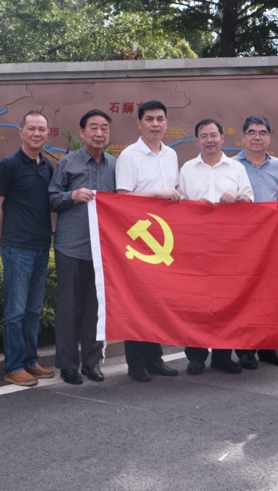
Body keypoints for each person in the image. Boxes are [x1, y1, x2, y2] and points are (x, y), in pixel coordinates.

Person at [178, 119, 254, 375]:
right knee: (195, 302)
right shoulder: (187, 169)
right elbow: (178, 207)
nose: (209, 140)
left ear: (222, 138)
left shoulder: (236, 168)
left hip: (228, 247)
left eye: (213, 135)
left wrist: (237, 196)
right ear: (196, 141)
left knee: (226, 301)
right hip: (196, 245)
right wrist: (193, 206)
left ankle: (223, 356)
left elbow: (250, 201)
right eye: (204, 136)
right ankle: (196, 356)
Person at [114, 100, 182, 383]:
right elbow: (122, 199)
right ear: (139, 123)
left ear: (166, 123)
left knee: (157, 300)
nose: (155, 124)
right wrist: (156, 195)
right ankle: (136, 362)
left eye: (160, 119)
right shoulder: (129, 156)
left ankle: (155, 358)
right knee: (137, 301)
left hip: (164, 238)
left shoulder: (171, 154)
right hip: (138, 238)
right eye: (150, 119)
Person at [48, 109, 116, 385]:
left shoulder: (116, 166)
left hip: (103, 250)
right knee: (68, 308)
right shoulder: (68, 163)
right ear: (82, 132)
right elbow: (52, 200)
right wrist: (72, 195)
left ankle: (91, 362)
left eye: (104, 128)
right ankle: (68, 365)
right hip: (71, 246)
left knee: (95, 308)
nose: (99, 133)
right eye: (93, 127)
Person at [0, 111, 56, 387]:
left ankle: (30, 360)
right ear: (21, 132)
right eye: (32, 128)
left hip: (41, 245)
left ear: (47, 133)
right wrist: (3, 238)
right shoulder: (9, 165)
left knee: (33, 310)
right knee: (15, 311)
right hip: (17, 246)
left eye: (42, 129)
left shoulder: (48, 166)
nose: (37, 133)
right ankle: (14, 366)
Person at [234, 115, 278, 369]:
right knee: (245, 295)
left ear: (269, 137)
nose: (257, 137)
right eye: (251, 132)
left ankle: (269, 348)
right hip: (242, 242)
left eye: (262, 132)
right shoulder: (232, 165)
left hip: (271, 243)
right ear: (243, 137)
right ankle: (245, 349)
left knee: (270, 295)